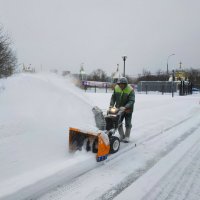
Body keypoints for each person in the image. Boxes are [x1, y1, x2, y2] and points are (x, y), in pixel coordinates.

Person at [109, 77, 135, 143]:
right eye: (119, 84)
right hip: (118, 109)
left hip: (128, 110)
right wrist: (111, 105)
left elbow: (132, 101)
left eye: (122, 84)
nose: (120, 85)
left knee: (128, 123)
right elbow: (113, 97)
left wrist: (125, 107)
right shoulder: (116, 88)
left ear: (125, 84)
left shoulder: (130, 90)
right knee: (118, 122)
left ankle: (127, 136)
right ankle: (122, 135)